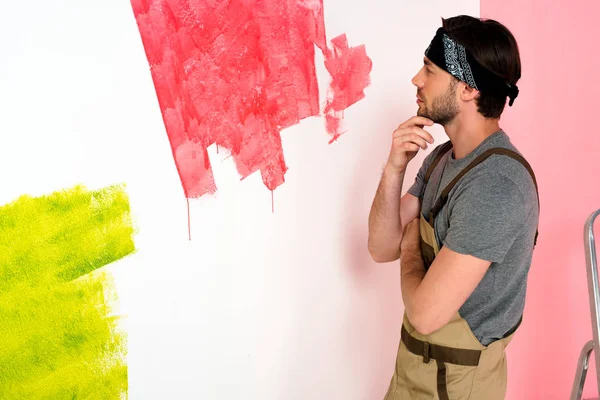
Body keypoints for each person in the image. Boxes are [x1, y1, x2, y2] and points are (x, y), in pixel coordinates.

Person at [367, 15, 540, 400]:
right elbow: (380, 248)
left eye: (429, 69)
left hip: (459, 387)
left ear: (466, 89)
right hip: (413, 372)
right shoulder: (443, 158)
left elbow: (426, 314)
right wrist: (395, 166)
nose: (416, 79)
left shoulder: (496, 186)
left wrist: (410, 244)